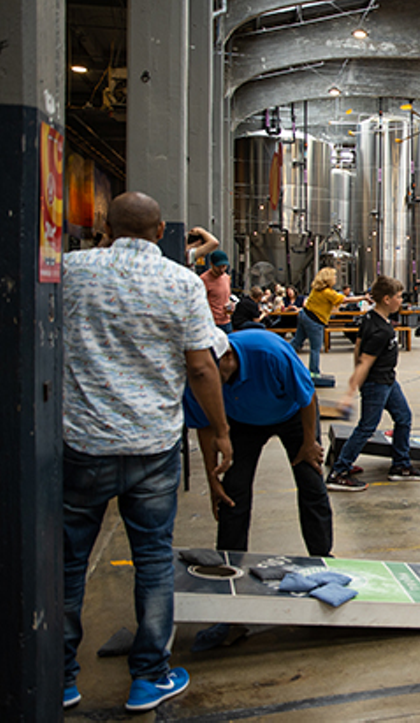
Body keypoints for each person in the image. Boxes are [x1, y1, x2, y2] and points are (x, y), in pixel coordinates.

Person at [62, 191, 230, 712]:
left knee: (68, 562)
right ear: (162, 232)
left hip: (82, 440)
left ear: (105, 229)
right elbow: (203, 367)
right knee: (154, 560)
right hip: (153, 446)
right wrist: (221, 431)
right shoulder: (181, 282)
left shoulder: (71, 271)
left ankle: (61, 675)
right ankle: (149, 676)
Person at [184, 329, 332, 556]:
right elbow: (205, 427)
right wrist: (212, 479)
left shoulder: (269, 353)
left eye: (211, 373)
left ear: (228, 358)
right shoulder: (198, 375)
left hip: (292, 414)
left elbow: (307, 395)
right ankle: (230, 560)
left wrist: (309, 443)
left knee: (310, 480)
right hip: (242, 421)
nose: (207, 380)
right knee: (233, 490)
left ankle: (322, 556)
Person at [328, 275, 420, 491]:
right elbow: (364, 360)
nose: (401, 300)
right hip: (377, 383)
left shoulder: (371, 319)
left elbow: (357, 346)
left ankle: (401, 466)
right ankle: (340, 471)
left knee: (403, 417)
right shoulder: (379, 330)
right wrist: (350, 391)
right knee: (367, 426)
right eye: (399, 297)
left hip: (388, 380)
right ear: (386, 299)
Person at [294, 267, 346, 378]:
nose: (336, 278)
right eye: (334, 276)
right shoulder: (327, 292)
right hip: (315, 320)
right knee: (315, 348)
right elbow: (343, 300)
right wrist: (362, 297)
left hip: (305, 315)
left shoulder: (316, 289)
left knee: (297, 342)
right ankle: (314, 372)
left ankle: (280, 355)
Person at [201, 249, 233, 333]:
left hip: (226, 321)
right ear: (211, 264)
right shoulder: (204, 280)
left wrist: (231, 305)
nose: (222, 269)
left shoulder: (226, 278)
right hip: (211, 323)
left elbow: (227, 297)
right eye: (219, 266)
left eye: (224, 266)